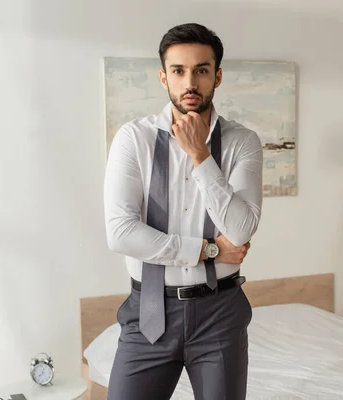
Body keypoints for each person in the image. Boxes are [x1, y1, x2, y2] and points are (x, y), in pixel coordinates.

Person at [103, 22, 263, 400]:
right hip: (149, 312)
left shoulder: (243, 142)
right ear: (164, 77)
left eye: (201, 70)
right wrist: (208, 249)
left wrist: (200, 155)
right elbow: (121, 233)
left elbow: (240, 231)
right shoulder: (133, 139)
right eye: (179, 71)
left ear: (217, 76)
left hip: (220, 315)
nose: (190, 81)